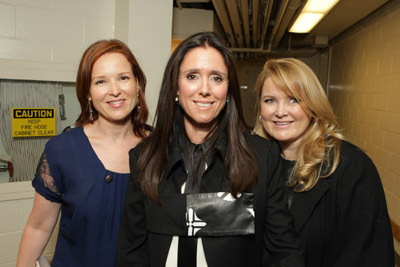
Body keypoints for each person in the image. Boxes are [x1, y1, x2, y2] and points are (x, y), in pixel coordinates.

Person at [117, 32, 304, 267]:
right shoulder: (145, 158)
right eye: (192, 76)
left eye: (216, 78)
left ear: (228, 90)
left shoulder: (261, 158)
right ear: (175, 86)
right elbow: (131, 253)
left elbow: (284, 251)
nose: (205, 89)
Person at [17, 39, 149, 267]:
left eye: (123, 78)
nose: (115, 90)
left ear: (137, 84)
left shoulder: (161, 147)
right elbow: (38, 227)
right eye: (101, 81)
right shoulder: (63, 150)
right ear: (87, 92)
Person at [253, 57, 394, 266]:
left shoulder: (350, 166)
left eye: (293, 99)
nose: (280, 111)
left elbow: (368, 255)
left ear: (312, 105)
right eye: (270, 100)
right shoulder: (251, 164)